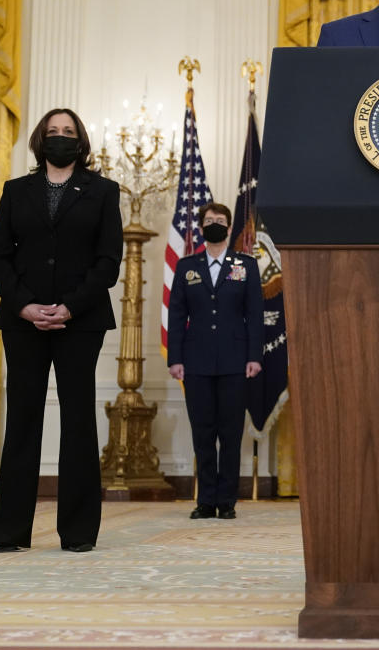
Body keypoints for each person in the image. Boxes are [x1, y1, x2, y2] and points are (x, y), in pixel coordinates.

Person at [0, 108, 123, 553]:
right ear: (40, 139)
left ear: (80, 141)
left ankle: (79, 533)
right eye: (53, 131)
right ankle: (11, 533)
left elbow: (108, 261)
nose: (60, 137)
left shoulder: (102, 191)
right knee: (23, 420)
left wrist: (68, 307)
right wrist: (25, 306)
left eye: (68, 132)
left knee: (78, 420)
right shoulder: (15, 191)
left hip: (80, 322)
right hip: (22, 322)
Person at [167, 202, 263, 520]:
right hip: (195, 363)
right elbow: (178, 315)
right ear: (201, 226)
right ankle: (206, 500)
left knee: (231, 433)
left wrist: (254, 357)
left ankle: (228, 501)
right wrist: (176, 358)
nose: (214, 225)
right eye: (209, 221)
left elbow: (255, 315)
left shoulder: (245, 265)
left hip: (236, 361)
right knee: (203, 432)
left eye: (220, 221)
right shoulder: (187, 266)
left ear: (230, 225)